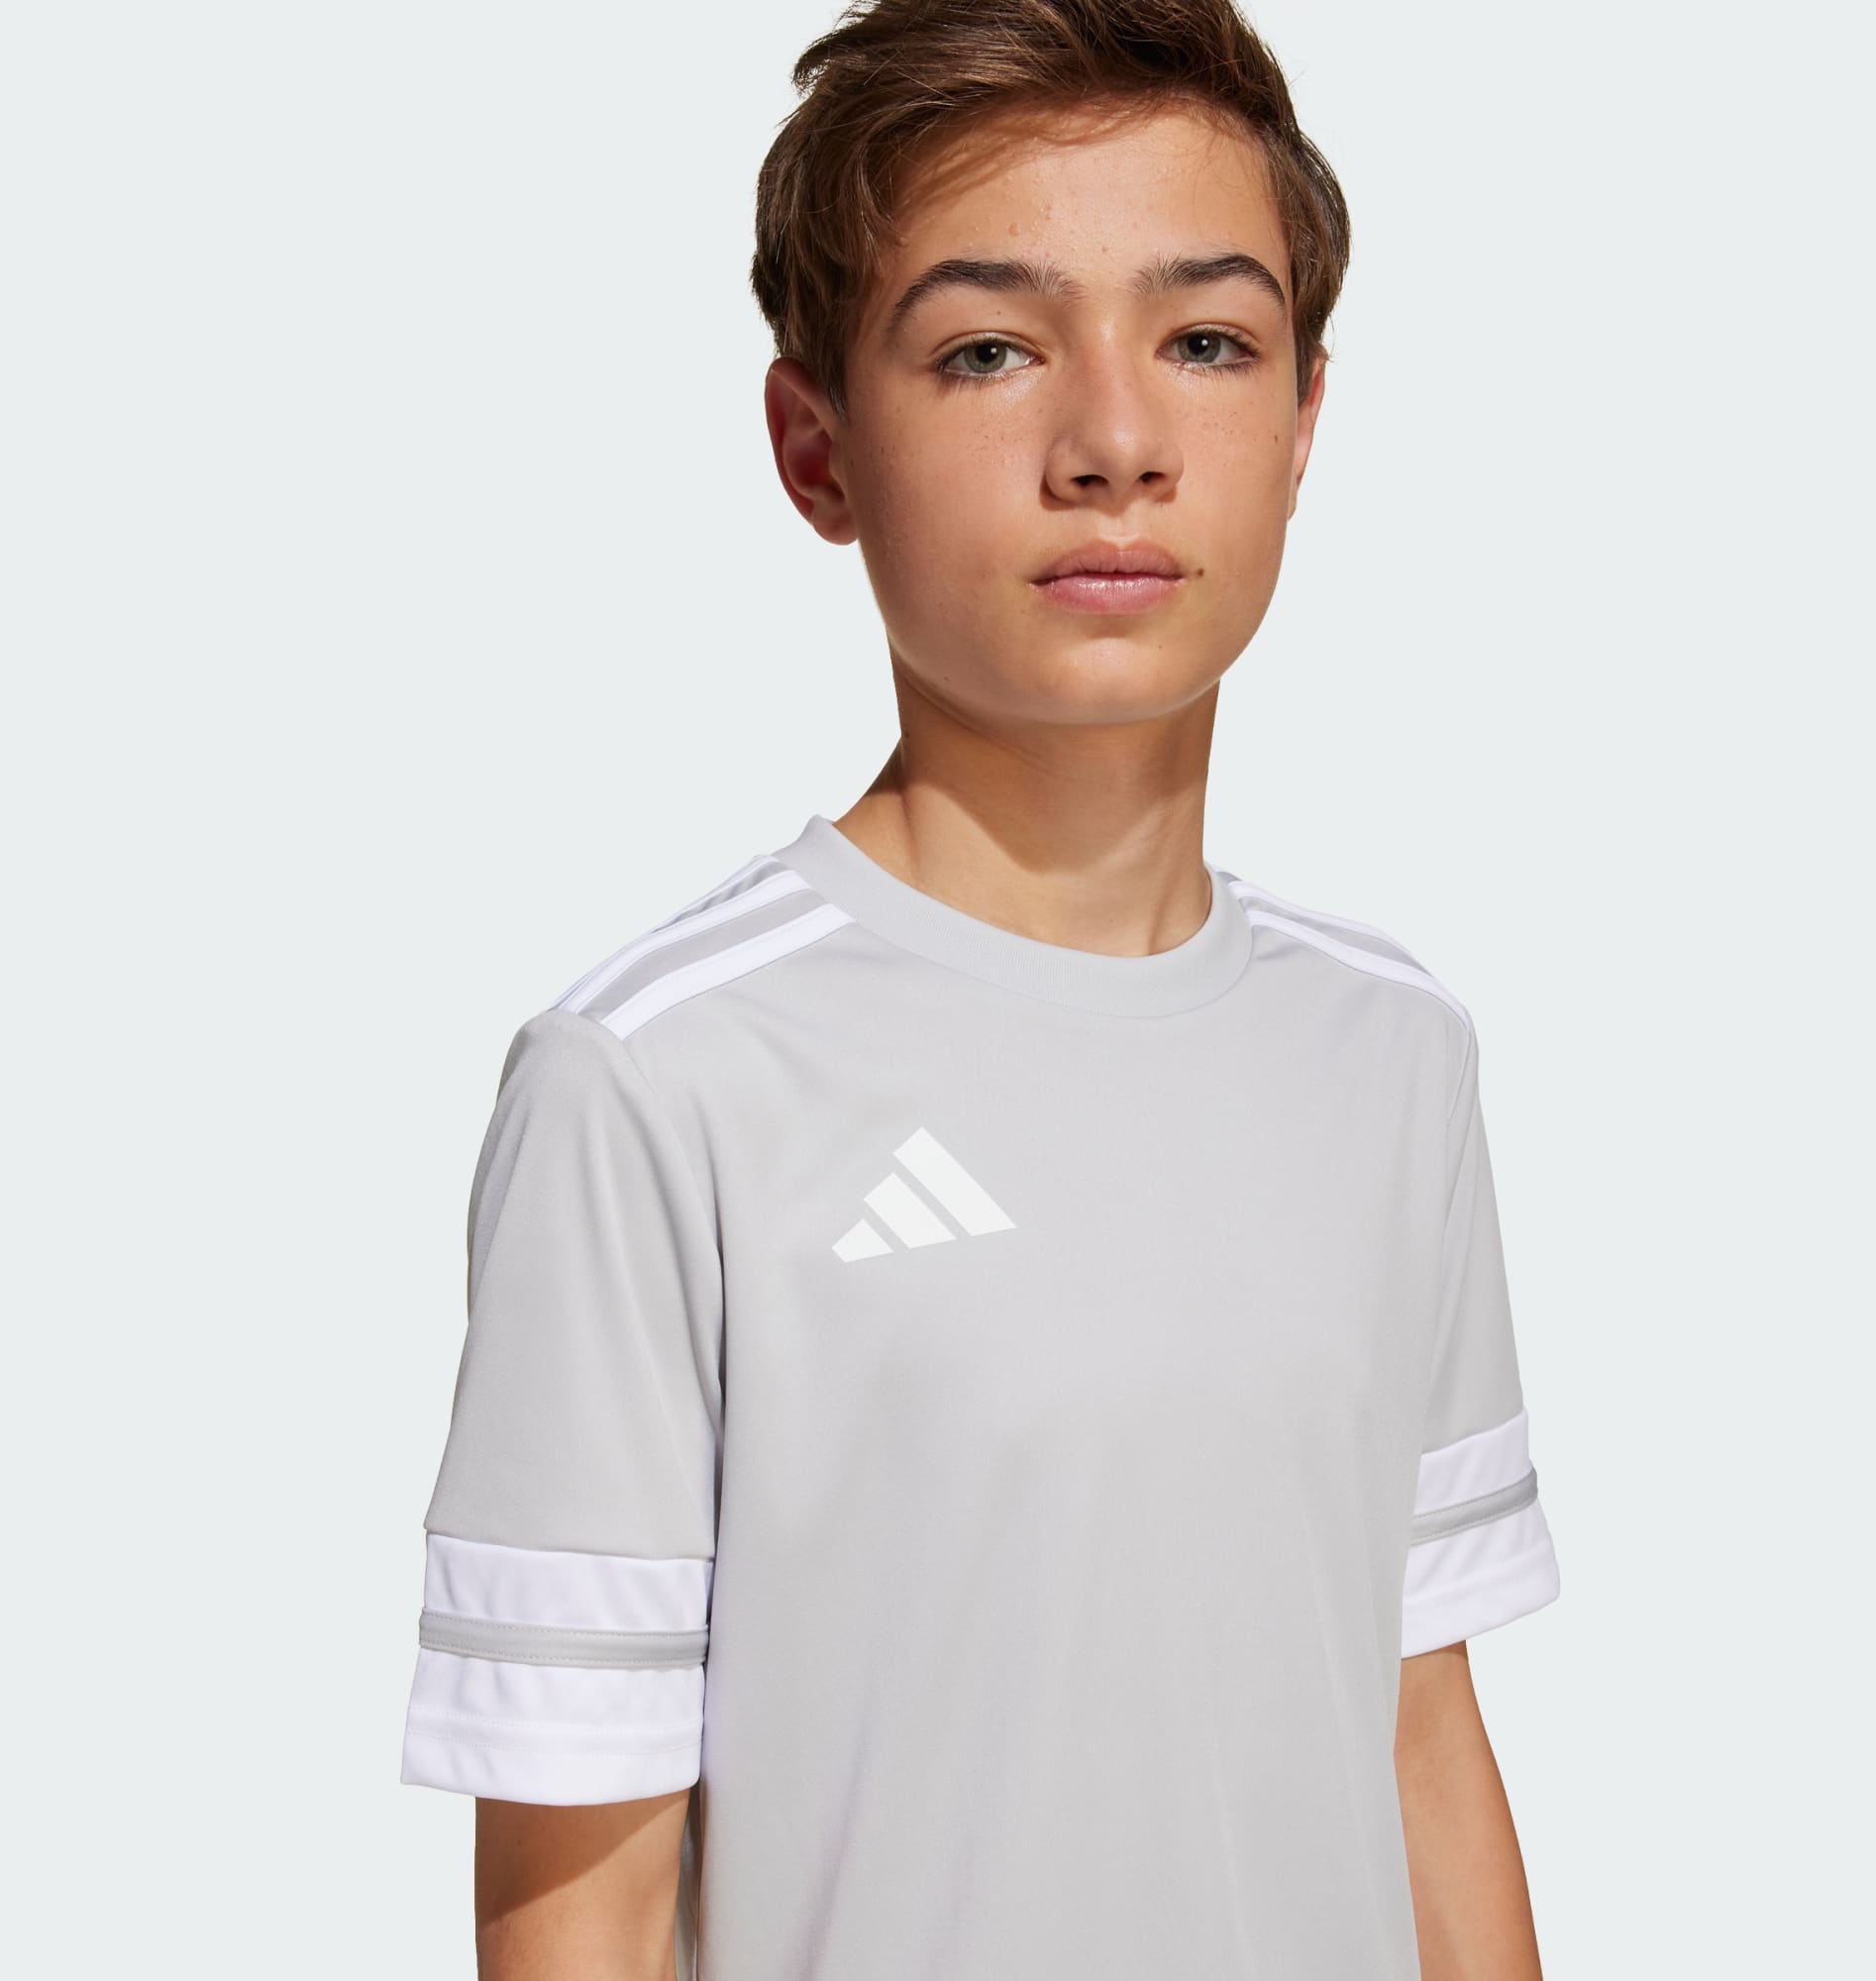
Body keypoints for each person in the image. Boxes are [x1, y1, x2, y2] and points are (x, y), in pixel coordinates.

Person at [398, 2, 1563, 1974]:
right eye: (988, 350)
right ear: (816, 448)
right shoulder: (660, 1079)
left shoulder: (1390, 1049)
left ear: (1302, 425)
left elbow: (1416, 1730)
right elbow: (577, 1886)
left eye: (1207, 341)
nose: (1114, 444)